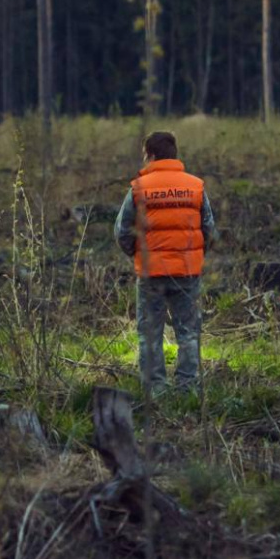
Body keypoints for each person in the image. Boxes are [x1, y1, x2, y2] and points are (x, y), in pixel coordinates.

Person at [115, 132, 216, 394]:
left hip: (151, 272)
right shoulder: (195, 186)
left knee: (150, 333)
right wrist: (195, 254)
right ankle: (188, 389)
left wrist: (136, 254)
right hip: (187, 271)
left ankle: (155, 390)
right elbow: (209, 229)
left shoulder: (138, 188)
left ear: (151, 154)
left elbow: (122, 230)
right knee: (189, 332)